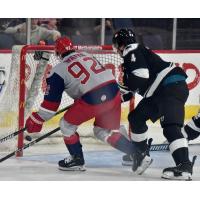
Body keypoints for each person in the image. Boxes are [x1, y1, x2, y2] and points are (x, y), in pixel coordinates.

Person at [25, 36, 138, 171]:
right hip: (113, 91)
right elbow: (94, 79)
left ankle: (77, 159)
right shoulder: (86, 55)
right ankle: (137, 153)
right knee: (103, 130)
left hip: (93, 98)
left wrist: (37, 119)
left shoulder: (58, 70)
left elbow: (50, 108)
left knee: (66, 125)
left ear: (57, 53)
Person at [112, 28, 197, 180]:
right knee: (136, 117)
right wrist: (117, 98)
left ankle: (184, 166)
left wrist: (124, 90)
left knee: (171, 128)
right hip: (161, 91)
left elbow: (141, 76)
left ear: (120, 44)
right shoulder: (134, 54)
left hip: (169, 88)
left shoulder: (131, 50)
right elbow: (135, 87)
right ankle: (141, 154)